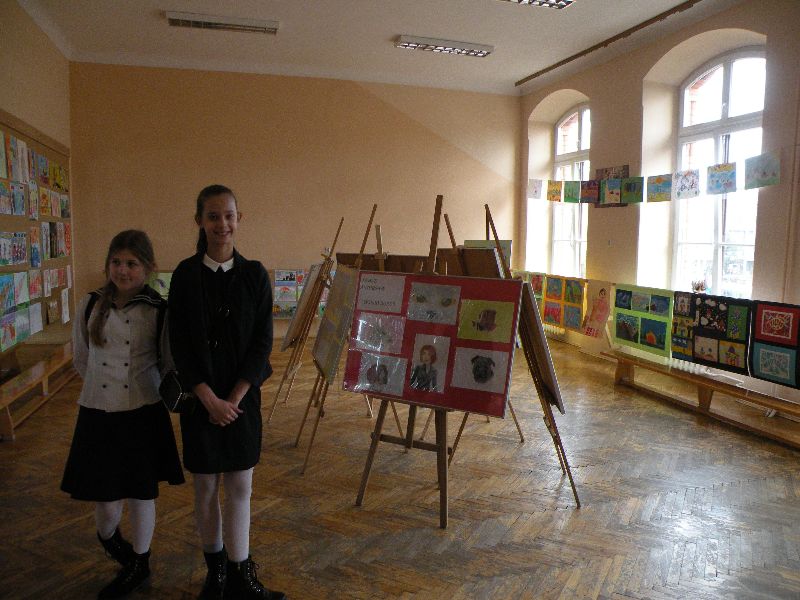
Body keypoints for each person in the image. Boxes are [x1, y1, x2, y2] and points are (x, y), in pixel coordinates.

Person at [168, 185, 285, 600]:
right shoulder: (185, 276)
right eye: (213, 216)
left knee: (240, 487)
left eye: (229, 215)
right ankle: (215, 572)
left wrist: (232, 400)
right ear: (199, 221)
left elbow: (262, 342)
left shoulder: (255, 275)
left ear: (239, 219)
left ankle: (241, 574)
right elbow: (180, 344)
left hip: (241, 402)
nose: (222, 224)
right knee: (205, 488)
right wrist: (208, 399)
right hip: (200, 402)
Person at [61, 230, 184, 599]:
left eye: (131, 263)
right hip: (99, 413)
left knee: (142, 494)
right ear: (108, 265)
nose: (123, 270)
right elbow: (82, 359)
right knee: (107, 501)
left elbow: (167, 363)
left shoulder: (158, 309)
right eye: (116, 262)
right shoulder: (89, 304)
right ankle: (113, 543)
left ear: (147, 268)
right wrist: (106, 390)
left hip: (143, 413)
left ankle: (140, 561)